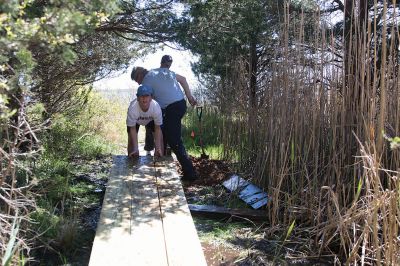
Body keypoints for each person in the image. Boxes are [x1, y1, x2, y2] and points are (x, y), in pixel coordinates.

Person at [130, 66, 198, 181]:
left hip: (173, 108)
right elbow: (183, 79)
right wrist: (190, 97)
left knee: (174, 140)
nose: (139, 83)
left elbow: (148, 102)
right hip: (180, 104)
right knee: (164, 132)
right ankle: (163, 165)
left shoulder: (146, 81)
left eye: (137, 80)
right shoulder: (162, 71)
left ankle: (190, 174)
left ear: (140, 75)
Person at [126, 84, 163, 158]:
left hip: (151, 120)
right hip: (136, 121)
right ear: (137, 98)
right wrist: (136, 149)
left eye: (147, 96)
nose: (144, 98)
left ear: (151, 98)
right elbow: (132, 129)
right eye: (141, 96)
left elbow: (158, 128)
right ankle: (131, 160)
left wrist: (158, 147)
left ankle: (160, 158)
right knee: (131, 141)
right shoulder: (132, 108)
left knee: (160, 140)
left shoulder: (156, 107)